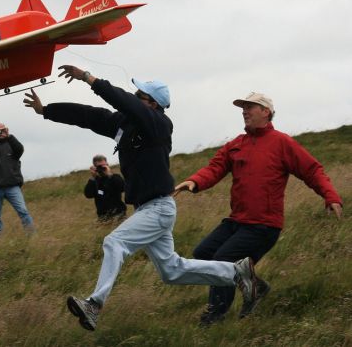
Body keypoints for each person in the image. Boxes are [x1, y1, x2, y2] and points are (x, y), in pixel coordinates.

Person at [23, 65, 260, 331]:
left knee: (114, 242)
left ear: (153, 105)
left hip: (158, 208)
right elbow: (89, 116)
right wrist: (47, 110)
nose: (134, 97)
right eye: (135, 93)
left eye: (140, 95)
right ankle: (236, 273)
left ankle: (94, 304)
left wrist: (89, 78)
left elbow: (125, 102)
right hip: (149, 209)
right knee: (172, 271)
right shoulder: (126, 125)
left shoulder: (158, 124)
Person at [174, 92, 343, 326]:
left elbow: (312, 170)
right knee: (203, 254)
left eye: (250, 107)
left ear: (266, 112)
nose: (244, 111)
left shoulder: (282, 143)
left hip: (263, 226)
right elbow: (214, 168)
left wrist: (330, 196)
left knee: (223, 260)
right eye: (243, 107)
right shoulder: (235, 145)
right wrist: (194, 181)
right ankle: (257, 286)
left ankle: (215, 317)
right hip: (237, 222)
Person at [0, 123, 35, 237]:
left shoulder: (12, 146)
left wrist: (8, 136)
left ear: (6, 130)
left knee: (23, 212)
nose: (0, 132)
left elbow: (20, 149)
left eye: (2, 130)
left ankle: (32, 237)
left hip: (13, 186)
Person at [84, 154, 127, 222]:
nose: (102, 168)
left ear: (107, 165)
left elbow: (123, 188)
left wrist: (110, 174)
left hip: (119, 214)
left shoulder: (115, 177)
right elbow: (88, 195)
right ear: (95, 167)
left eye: (104, 166)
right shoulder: (95, 181)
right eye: (99, 167)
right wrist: (93, 177)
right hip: (103, 217)